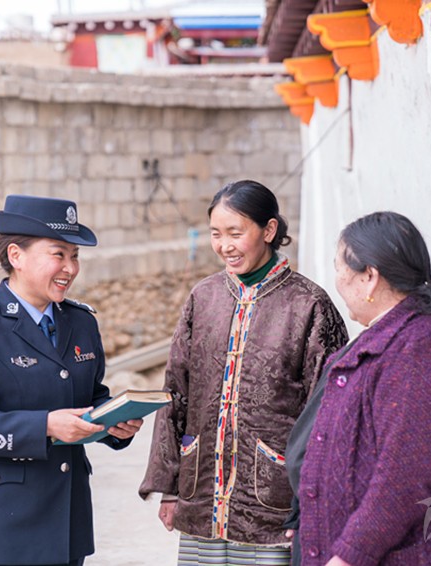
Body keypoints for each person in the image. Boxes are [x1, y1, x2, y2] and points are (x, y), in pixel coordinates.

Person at [139, 179, 348, 565]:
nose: (225, 246)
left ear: (269, 230)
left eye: (235, 233)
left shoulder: (309, 305)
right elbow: (175, 392)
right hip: (201, 492)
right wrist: (169, 486)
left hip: (273, 501)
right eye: (216, 234)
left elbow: (330, 413)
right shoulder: (203, 298)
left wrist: (314, 500)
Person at [0, 194, 143, 566]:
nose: (70, 268)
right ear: (16, 255)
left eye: (75, 256)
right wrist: (46, 425)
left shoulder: (81, 322)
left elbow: (91, 396)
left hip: (65, 526)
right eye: (58, 254)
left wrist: (115, 423)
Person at [297, 211, 431, 566]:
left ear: (369, 277)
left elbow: (403, 479)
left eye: (339, 268)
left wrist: (348, 556)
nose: (337, 280)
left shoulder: (422, 348)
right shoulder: (393, 340)